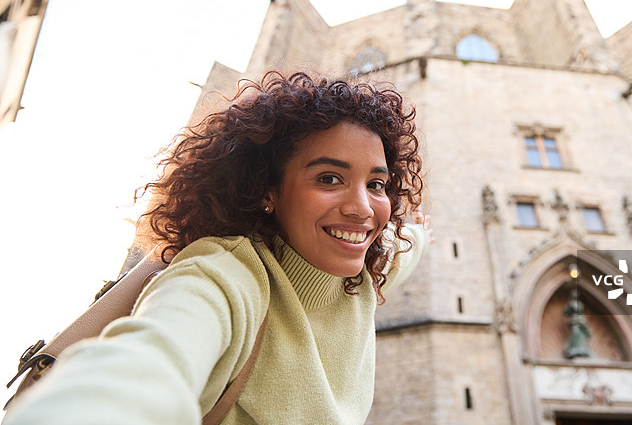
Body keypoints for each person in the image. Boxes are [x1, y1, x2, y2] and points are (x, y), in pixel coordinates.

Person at [3, 71, 430, 425]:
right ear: (268, 191)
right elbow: (147, 367)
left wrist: (420, 232)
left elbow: (401, 250)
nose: (362, 209)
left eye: (376, 184)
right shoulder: (222, 275)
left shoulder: (366, 271)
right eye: (329, 179)